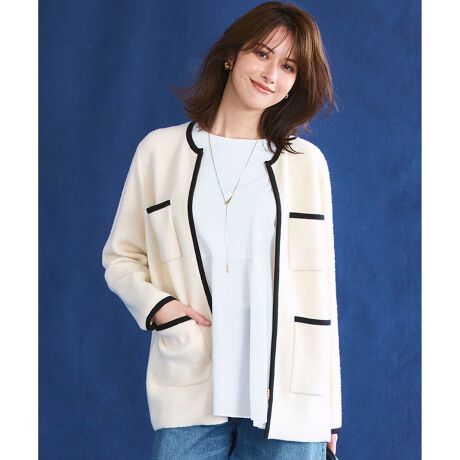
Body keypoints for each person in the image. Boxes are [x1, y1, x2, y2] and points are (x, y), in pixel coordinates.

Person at [102, 2, 342, 459]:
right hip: (192, 380)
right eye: (262, 53)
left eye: (288, 66)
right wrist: (161, 309)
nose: (271, 74)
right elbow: (122, 256)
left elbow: (319, 290)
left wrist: (329, 408)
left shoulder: (305, 165)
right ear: (231, 55)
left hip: (290, 395)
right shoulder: (160, 152)